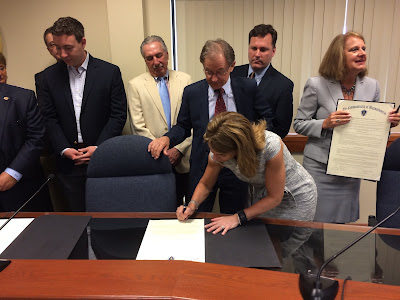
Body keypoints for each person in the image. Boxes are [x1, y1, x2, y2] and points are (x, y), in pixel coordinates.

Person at [148, 39, 267, 214]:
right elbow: (183, 126)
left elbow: (264, 121)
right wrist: (167, 138)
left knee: (232, 217)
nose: (214, 78)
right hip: (203, 165)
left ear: (232, 66)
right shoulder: (192, 92)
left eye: (220, 72)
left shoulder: (248, 88)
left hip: (237, 166)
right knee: (197, 215)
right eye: (208, 72)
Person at [293, 32, 400, 223]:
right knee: (315, 227)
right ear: (339, 55)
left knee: (341, 232)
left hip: (351, 170)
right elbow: (299, 124)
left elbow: (370, 128)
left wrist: (387, 123)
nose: (362, 53)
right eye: (354, 49)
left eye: (363, 48)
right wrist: (325, 123)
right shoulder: (316, 84)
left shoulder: (372, 86)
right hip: (320, 170)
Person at [176, 112, 317, 235]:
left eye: (220, 154)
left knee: (290, 248)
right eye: (213, 151)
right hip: (263, 198)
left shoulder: (270, 146)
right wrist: (192, 206)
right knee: (265, 245)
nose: (214, 157)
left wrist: (237, 218)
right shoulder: (217, 154)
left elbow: (275, 197)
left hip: (295, 196)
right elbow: (206, 184)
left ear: (240, 148)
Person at [39, 17, 127, 212]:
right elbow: (48, 118)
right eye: (58, 47)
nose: (62, 54)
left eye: (68, 48)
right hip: (68, 163)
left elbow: (118, 115)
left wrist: (99, 147)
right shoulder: (48, 77)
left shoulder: (109, 72)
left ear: (83, 42)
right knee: (76, 221)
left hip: (103, 159)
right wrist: (63, 149)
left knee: (107, 216)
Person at [128, 35, 192, 207]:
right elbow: (138, 126)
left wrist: (178, 149)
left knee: (189, 209)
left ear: (167, 54)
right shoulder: (135, 85)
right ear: (145, 60)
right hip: (155, 159)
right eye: (149, 58)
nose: (156, 61)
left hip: (184, 157)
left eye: (159, 55)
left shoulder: (185, 80)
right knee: (163, 209)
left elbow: (193, 122)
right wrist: (161, 150)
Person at [0, 52, 52, 212]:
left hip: (22, 188)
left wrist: (12, 173)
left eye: (1, 67)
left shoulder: (23, 97)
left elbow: (36, 138)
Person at [231, 24, 293, 138]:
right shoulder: (232, 74)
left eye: (263, 49)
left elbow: (281, 129)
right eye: (254, 48)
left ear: (273, 51)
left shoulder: (283, 85)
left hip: (262, 148)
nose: (257, 54)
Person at [35, 26, 66, 211]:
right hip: (59, 153)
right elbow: (48, 115)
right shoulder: (44, 78)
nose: (59, 50)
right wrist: (64, 147)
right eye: (53, 45)